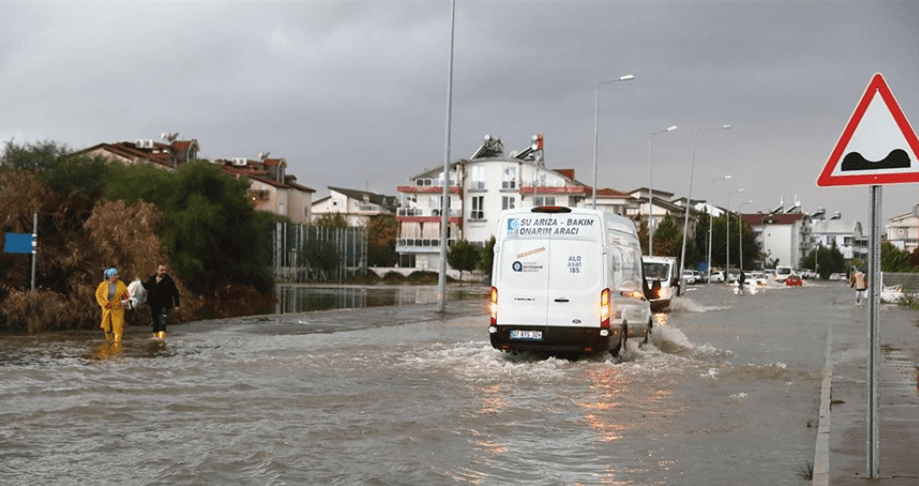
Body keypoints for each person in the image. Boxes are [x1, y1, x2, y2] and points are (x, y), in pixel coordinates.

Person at [142, 264, 180, 340]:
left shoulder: (169, 280)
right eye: (161, 270)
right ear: (157, 270)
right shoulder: (152, 279)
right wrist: (139, 283)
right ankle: (155, 340)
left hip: (165, 305)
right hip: (152, 305)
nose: (163, 272)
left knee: (162, 322)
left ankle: (161, 341)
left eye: (164, 270)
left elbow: (175, 292)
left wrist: (177, 305)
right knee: (154, 323)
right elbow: (146, 286)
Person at [95, 268, 130, 343]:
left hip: (118, 308)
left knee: (118, 327)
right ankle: (109, 342)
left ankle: (117, 344)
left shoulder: (121, 284)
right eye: (115, 275)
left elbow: (126, 295)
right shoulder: (103, 285)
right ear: (110, 276)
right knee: (107, 327)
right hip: (107, 308)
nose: (117, 276)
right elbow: (98, 296)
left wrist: (126, 301)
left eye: (117, 274)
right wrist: (103, 304)